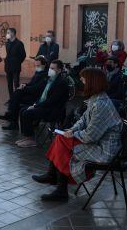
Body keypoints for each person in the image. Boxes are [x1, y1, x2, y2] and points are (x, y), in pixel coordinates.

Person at [32, 68, 122, 201]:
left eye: (83, 80)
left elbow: (91, 136)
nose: (81, 83)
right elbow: (83, 120)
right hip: (96, 143)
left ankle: (59, 186)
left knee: (63, 144)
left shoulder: (101, 104)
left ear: (92, 82)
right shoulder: (96, 99)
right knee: (61, 138)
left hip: (104, 150)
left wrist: (73, 134)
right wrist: (71, 131)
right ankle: (55, 179)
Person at [16, 60, 69, 148]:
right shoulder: (49, 79)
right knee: (22, 109)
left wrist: (35, 106)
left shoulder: (61, 83)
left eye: (53, 68)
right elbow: (41, 95)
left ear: (59, 70)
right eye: (50, 68)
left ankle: (31, 140)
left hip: (53, 110)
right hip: (44, 105)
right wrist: (34, 104)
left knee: (27, 113)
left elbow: (52, 100)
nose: (50, 70)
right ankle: (27, 136)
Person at [0, 56, 49, 130]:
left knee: (17, 96)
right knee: (17, 95)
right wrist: (24, 84)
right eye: (35, 65)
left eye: (38, 65)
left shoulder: (45, 75)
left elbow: (36, 88)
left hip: (36, 97)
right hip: (31, 93)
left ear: (44, 65)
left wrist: (24, 88)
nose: (36, 67)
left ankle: (11, 118)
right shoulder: (38, 72)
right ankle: (11, 119)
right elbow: (31, 83)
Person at [4, 28, 27, 97]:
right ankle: (11, 98)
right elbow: (8, 54)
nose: (7, 34)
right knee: (9, 83)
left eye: (8, 32)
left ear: (13, 33)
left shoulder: (19, 43)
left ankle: (16, 98)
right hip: (8, 66)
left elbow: (23, 55)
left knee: (16, 83)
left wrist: (17, 62)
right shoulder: (7, 43)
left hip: (16, 67)